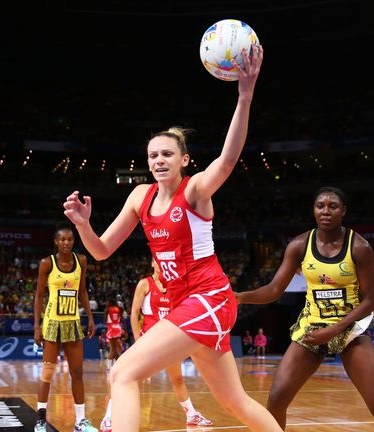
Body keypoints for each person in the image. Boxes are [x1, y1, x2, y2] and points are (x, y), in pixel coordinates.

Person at [63, 44, 281, 432]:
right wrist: (83, 225)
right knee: (235, 402)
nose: (158, 160)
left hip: (208, 299)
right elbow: (100, 251)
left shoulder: (195, 190)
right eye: (152, 156)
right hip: (183, 304)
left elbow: (228, 159)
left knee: (124, 372)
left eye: (167, 154)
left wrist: (245, 97)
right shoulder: (139, 196)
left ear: (184, 160)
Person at [236, 187, 374, 431]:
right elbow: (274, 290)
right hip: (312, 327)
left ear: (343, 211)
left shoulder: (360, 247)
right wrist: (240, 297)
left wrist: (332, 331)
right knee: (276, 400)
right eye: (320, 206)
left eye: (332, 206)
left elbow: (369, 301)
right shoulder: (299, 245)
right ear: (314, 210)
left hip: (349, 330)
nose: (325, 211)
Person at [99, 260, 212, 431]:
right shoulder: (145, 284)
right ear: (152, 263)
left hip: (169, 341)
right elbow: (134, 313)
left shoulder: (175, 286)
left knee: (178, 380)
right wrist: (138, 340)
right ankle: (108, 417)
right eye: (158, 260)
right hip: (149, 341)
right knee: (127, 378)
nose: (161, 264)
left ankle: (191, 414)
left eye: (164, 261)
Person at [33, 226, 97, 432]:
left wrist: (90, 317)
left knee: (77, 372)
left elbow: (83, 291)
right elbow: (39, 296)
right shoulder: (47, 264)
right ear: (56, 242)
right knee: (47, 373)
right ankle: (41, 419)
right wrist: (37, 326)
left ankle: (81, 421)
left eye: (70, 239)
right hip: (52, 323)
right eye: (62, 240)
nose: (67, 243)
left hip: (73, 322)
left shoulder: (82, 261)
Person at [104, 294, 124, 369]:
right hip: (118, 328)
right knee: (115, 349)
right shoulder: (119, 308)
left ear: (110, 302)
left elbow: (104, 320)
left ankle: (109, 366)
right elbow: (122, 319)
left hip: (111, 328)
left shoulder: (108, 309)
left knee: (112, 349)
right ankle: (119, 364)